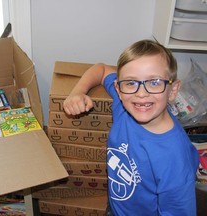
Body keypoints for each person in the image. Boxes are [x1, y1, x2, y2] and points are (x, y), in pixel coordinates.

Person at [63, 39, 199, 216]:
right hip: (117, 205)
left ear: (172, 90)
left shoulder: (174, 158)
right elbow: (101, 69)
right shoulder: (124, 106)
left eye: (155, 82)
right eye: (131, 82)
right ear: (118, 90)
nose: (141, 93)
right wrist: (77, 92)